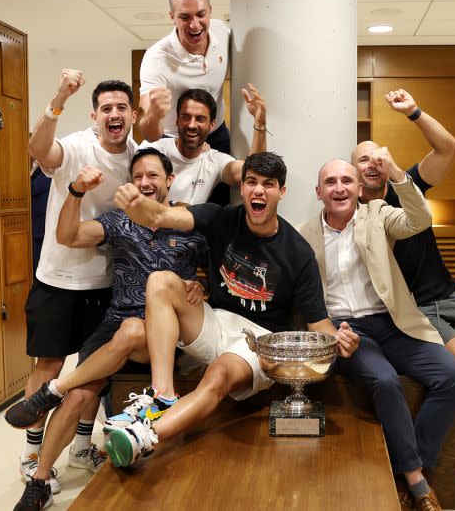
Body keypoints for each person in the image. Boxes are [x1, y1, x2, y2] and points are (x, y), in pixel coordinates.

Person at [102, 153, 360, 467]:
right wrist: (134, 205)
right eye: (251, 182)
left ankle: (145, 438)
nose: (259, 191)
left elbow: (319, 324)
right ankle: (162, 393)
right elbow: (158, 216)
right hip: (216, 321)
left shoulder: (298, 253)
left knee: (219, 374)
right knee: (160, 281)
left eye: (269, 184)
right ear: (242, 187)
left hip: (260, 341)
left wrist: (341, 341)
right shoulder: (221, 217)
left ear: (282, 192)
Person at [7, 149, 208, 511]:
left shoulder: (188, 221)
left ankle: (51, 390)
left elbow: (216, 276)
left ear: (169, 180)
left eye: (153, 176)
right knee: (82, 394)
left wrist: (200, 287)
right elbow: (67, 235)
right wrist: (76, 191)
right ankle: (39, 482)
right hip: (115, 322)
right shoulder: (119, 220)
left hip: (164, 332)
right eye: (139, 177)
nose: (146, 183)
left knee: (133, 329)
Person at [354, 88, 455, 481]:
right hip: (417, 307)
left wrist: (414, 112)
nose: (371, 162)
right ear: (353, 169)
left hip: (450, 295)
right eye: (363, 158)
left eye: (377, 155)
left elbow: (448, 147)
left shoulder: (405, 186)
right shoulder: (354, 212)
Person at [299, 154, 455, 511]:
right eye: (330, 182)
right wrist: (330, 334)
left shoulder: (377, 215)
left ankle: (408, 464)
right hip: (347, 330)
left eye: (347, 181)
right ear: (318, 192)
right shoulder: (305, 235)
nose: (339, 188)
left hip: (394, 324)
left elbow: (420, 219)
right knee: (385, 381)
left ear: (360, 189)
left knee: (454, 376)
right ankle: (418, 483)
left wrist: (396, 176)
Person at [19, 70, 137, 492]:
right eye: (107, 108)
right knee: (48, 366)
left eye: (122, 107)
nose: (114, 114)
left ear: (132, 115)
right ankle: (33, 450)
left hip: (106, 283)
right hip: (59, 276)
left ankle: (82, 446)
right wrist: (58, 97)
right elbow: (38, 149)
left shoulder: (137, 156)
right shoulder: (76, 146)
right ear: (95, 115)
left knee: (92, 372)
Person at [139, 0, 243, 205]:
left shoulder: (221, 31)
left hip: (216, 134)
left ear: (210, 11)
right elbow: (149, 134)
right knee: (178, 214)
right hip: (173, 142)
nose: (195, 24)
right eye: (185, 17)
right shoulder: (157, 59)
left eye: (201, 14)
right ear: (172, 17)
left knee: (225, 206)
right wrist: (155, 113)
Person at [144, 86, 266, 205]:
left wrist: (260, 123)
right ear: (177, 120)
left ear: (212, 124)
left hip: (191, 224)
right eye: (186, 117)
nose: (191, 125)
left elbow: (252, 171)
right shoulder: (156, 150)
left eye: (200, 119)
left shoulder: (214, 160)